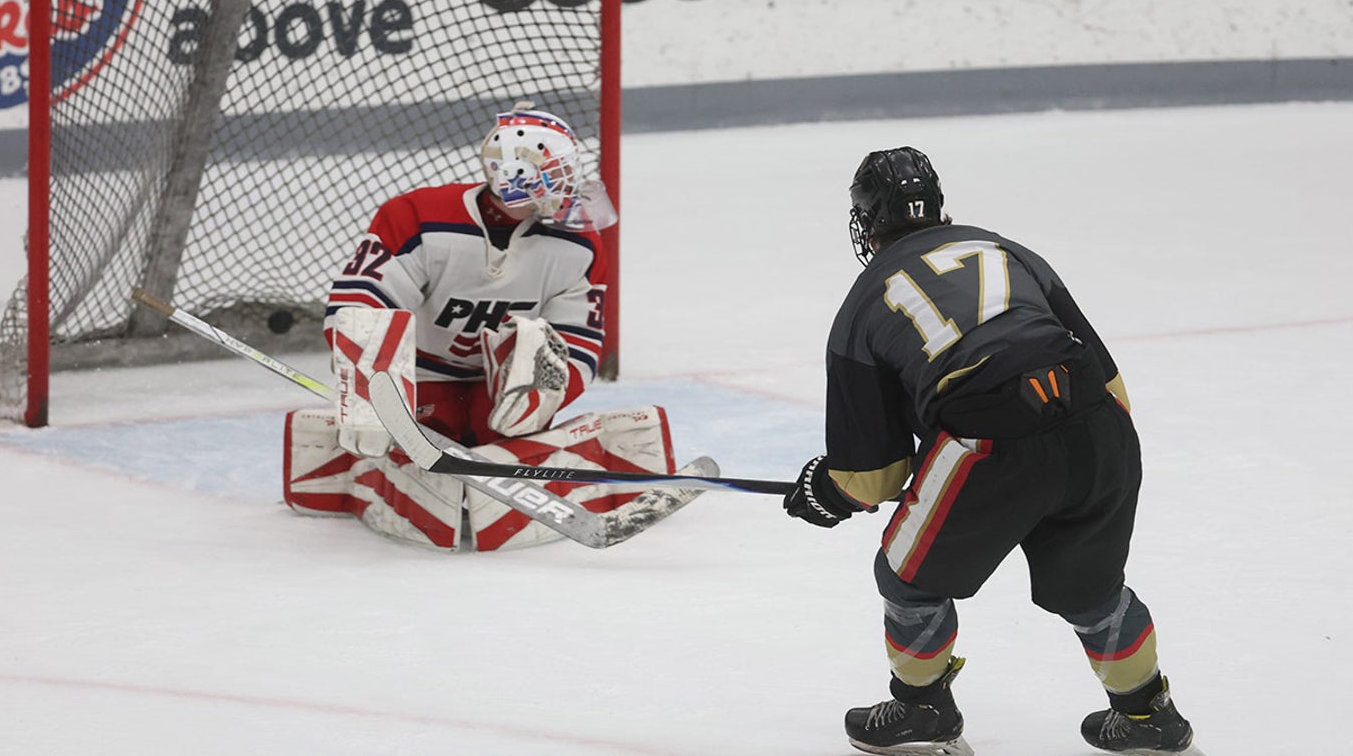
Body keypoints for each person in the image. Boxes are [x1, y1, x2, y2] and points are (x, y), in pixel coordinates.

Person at [783, 147, 1196, 755]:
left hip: (989, 441)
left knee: (907, 578)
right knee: (1092, 588)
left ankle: (922, 711)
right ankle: (1147, 718)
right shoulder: (1007, 248)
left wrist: (826, 490)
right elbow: (1111, 384)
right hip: (1099, 425)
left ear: (867, 222)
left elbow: (870, 477)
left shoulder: (863, 304)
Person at [280, 104, 681, 551]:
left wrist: (543, 397)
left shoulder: (579, 245)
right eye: (554, 174)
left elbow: (579, 342)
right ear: (511, 176)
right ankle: (375, 461)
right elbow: (361, 301)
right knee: (424, 444)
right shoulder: (417, 216)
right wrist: (372, 392)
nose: (567, 185)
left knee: (503, 439)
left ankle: (528, 443)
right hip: (423, 376)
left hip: (501, 382)